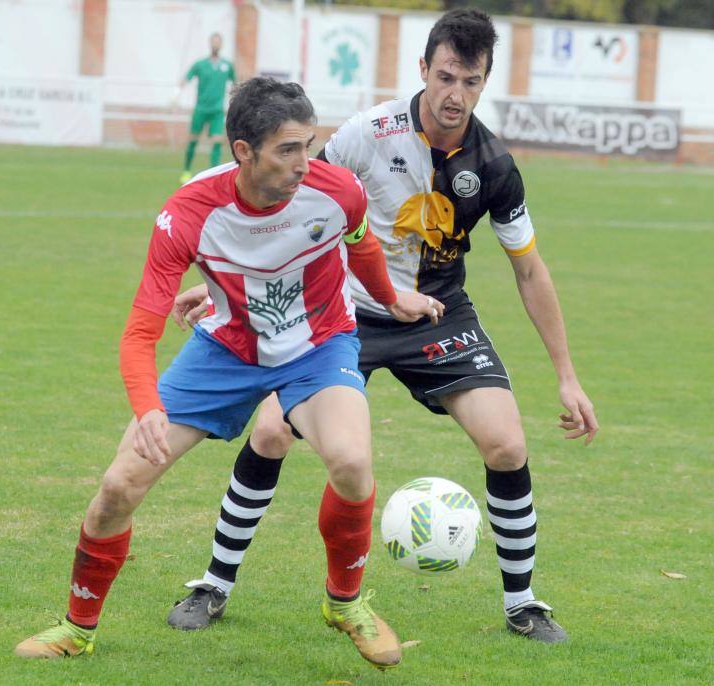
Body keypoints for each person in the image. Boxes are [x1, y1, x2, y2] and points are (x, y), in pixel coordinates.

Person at [168, 8, 599, 644]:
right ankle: (214, 584)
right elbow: (288, 202)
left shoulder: (495, 164)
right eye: (446, 76)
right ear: (423, 69)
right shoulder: (366, 133)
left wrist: (567, 377)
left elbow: (530, 273)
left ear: (485, 82)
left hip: (436, 314)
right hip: (339, 309)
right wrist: (222, 282)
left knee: (507, 443)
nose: (456, 95)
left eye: (471, 81)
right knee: (269, 433)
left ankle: (525, 604)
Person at [14, 77, 443, 669]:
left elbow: (361, 244)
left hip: (318, 346)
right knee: (118, 487)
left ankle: (345, 604)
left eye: (309, 146)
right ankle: (77, 627)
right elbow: (140, 331)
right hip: (225, 351)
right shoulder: (187, 211)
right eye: (286, 150)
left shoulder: (338, 189)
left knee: (351, 461)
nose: (303, 164)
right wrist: (147, 408)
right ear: (244, 151)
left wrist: (390, 297)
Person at [179, 33, 235, 185]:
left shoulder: (227, 65)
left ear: (221, 45)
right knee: (193, 140)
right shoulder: (201, 64)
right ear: (210, 44)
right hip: (201, 108)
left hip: (217, 110)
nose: (215, 45)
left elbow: (235, 83)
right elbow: (186, 78)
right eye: (213, 42)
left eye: (218, 42)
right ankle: (186, 170)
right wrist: (180, 86)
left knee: (217, 141)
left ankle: (213, 175)